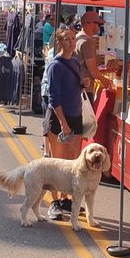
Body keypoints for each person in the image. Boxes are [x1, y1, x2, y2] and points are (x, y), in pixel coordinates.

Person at [42, 25, 84, 218]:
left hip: (75, 116)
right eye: (67, 39)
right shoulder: (55, 65)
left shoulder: (75, 61)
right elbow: (54, 98)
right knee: (56, 163)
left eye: (73, 38)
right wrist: (64, 124)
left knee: (71, 162)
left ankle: (66, 200)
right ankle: (54, 202)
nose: (71, 42)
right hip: (59, 119)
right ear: (59, 42)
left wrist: (83, 84)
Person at [75, 10, 109, 96]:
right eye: (98, 24)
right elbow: (92, 69)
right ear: (91, 24)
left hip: (77, 84)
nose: (99, 27)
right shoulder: (87, 41)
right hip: (85, 87)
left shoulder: (77, 37)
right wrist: (104, 80)